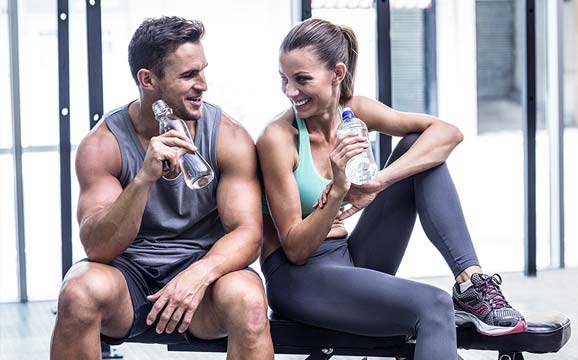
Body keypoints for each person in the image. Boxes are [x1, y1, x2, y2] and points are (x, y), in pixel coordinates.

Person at [257, 18, 526, 360]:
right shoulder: (278, 139)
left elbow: (448, 133)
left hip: (351, 258)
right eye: (285, 79)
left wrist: (378, 182)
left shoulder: (356, 111)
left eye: (302, 79)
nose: (290, 91)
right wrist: (339, 188)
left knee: (420, 147)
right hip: (299, 278)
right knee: (432, 305)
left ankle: (470, 283)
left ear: (337, 74)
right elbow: (295, 249)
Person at [50, 16, 273, 360]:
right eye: (188, 75)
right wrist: (142, 179)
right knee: (77, 292)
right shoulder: (103, 144)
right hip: (128, 280)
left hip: (204, 277)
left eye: (202, 70)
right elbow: (98, 248)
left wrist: (198, 275)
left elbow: (247, 233)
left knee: (250, 301)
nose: (203, 84)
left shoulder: (228, 137)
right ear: (148, 79)